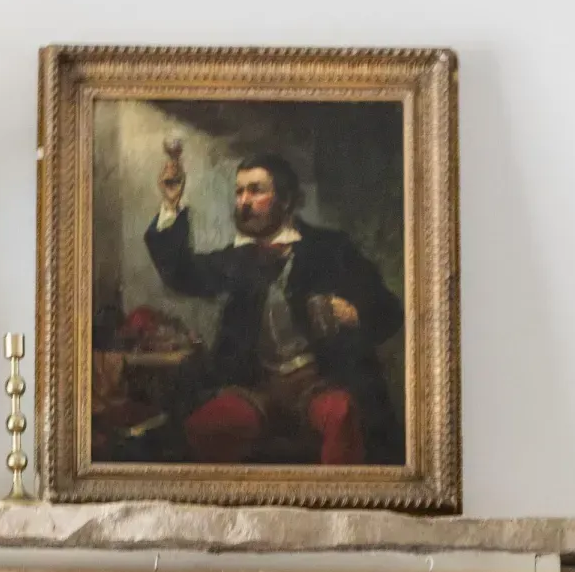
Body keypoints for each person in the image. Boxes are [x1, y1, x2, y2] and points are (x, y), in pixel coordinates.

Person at [144, 149, 404, 465]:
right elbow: (181, 275)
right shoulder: (239, 258)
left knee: (342, 415)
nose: (244, 201)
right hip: (257, 388)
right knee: (204, 426)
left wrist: (354, 313)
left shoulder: (331, 249)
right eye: (239, 192)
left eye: (256, 190)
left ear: (286, 200)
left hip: (320, 383)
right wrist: (171, 203)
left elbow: (389, 311)